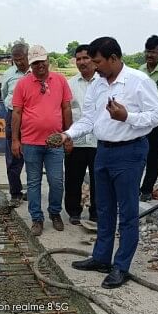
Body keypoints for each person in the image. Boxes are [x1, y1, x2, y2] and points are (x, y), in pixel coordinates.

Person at [53, 37, 158, 289]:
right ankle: (101, 257)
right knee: (103, 208)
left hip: (129, 152)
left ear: (113, 58)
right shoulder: (98, 85)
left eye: (98, 62)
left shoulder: (138, 81)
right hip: (103, 151)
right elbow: (89, 119)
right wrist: (67, 134)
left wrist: (128, 116)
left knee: (126, 213)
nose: (94, 67)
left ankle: (121, 266)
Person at [11, 44, 72, 236]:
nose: (40, 66)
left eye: (42, 61)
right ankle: (36, 218)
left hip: (55, 142)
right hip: (30, 142)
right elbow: (17, 113)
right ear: (31, 64)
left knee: (56, 181)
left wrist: (68, 136)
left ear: (48, 61)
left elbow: (66, 109)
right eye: (35, 63)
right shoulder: (22, 84)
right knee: (34, 182)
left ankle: (55, 212)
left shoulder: (61, 80)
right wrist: (15, 140)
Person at [64, 44, 98, 225]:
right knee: (72, 178)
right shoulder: (69, 85)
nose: (82, 62)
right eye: (78, 59)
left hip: (98, 141)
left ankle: (96, 213)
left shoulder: (103, 82)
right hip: (76, 140)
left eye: (86, 58)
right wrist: (67, 137)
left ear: (93, 59)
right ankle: (73, 212)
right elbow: (66, 111)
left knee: (99, 179)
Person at [138, 35, 158, 202]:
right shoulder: (139, 71)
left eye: (154, 52)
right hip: (140, 120)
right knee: (138, 153)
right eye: (148, 51)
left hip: (157, 120)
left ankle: (147, 189)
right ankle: (134, 187)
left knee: (154, 156)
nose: (150, 55)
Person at [0, 43, 28, 207]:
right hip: (13, 116)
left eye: (22, 59)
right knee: (13, 156)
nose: (19, 63)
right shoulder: (9, 74)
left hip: (32, 118)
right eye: (16, 60)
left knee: (34, 156)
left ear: (28, 56)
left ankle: (32, 191)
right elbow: (4, 95)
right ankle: (15, 193)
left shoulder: (36, 73)